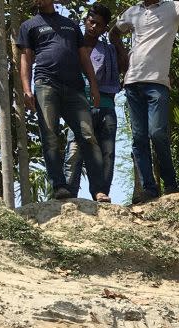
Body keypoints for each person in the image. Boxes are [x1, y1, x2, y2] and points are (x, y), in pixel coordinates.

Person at [111, 0, 179, 204]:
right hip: (133, 82)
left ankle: (170, 183)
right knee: (139, 138)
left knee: (157, 133)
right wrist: (121, 52)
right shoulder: (132, 12)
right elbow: (113, 33)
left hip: (157, 82)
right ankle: (150, 189)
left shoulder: (172, 8)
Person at [18, 0, 106, 201]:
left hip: (75, 87)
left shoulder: (71, 24)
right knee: (50, 136)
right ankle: (59, 186)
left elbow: (83, 56)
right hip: (46, 84)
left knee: (87, 135)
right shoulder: (29, 25)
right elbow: (26, 58)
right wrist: (26, 88)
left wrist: (93, 84)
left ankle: (99, 190)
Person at [64, 3, 127, 203]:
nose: (93, 27)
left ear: (104, 28)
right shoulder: (71, 46)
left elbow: (123, 66)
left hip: (106, 105)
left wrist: (117, 43)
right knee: (74, 148)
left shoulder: (108, 50)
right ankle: (68, 193)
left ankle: (101, 192)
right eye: (91, 22)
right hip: (78, 105)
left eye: (99, 25)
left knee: (106, 152)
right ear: (85, 21)